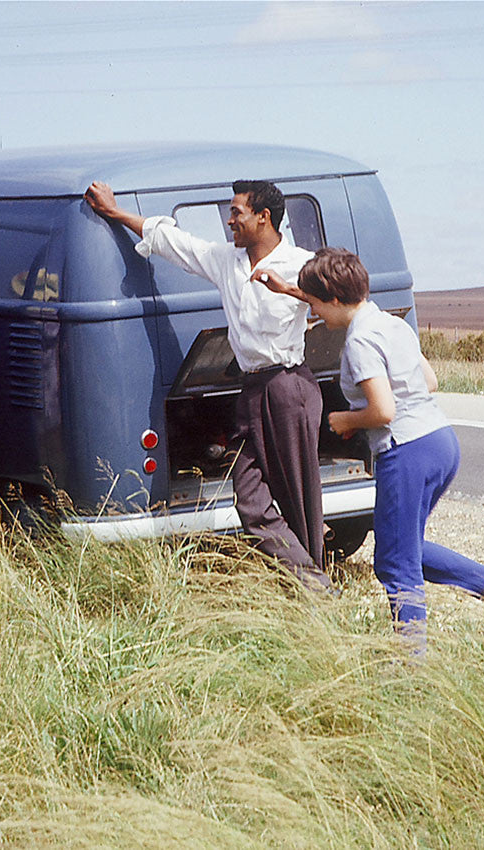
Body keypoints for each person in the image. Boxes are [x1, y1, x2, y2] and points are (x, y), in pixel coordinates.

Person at [259, 248, 484, 652]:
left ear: (332, 298)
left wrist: (345, 420)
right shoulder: (389, 323)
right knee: (399, 547)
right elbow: (429, 381)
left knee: (396, 563)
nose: (313, 314)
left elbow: (383, 411)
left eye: (313, 304)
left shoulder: (360, 341)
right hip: (439, 441)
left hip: (406, 451)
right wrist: (291, 291)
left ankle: (409, 663)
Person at [85, 179, 331, 591]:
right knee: (250, 498)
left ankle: (313, 596)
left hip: (290, 387)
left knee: (299, 497)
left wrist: (295, 295)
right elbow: (171, 241)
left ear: (263, 218)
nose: (229, 220)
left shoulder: (301, 264)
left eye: (236, 212)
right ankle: (314, 584)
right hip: (252, 390)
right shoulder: (226, 261)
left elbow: (344, 301)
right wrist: (114, 212)